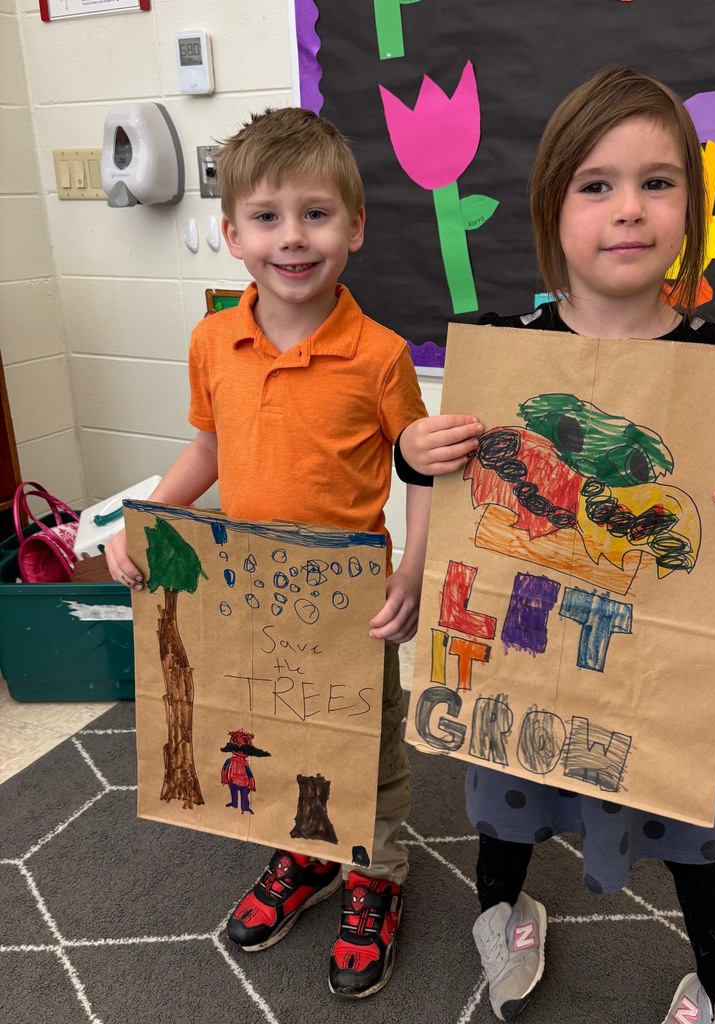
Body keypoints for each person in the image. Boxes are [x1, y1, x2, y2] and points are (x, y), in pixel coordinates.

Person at [395, 66, 715, 1024]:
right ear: (554, 208)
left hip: (659, 667)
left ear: (689, 214)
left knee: (698, 833)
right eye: (597, 184)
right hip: (524, 647)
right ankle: (503, 909)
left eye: (658, 183)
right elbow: (438, 483)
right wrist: (416, 453)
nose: (629, 210)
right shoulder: (500, 351)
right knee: (504, 810)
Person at [105, 106, 431, 999]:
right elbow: (208, 451)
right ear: (233, 233)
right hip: (247, 592)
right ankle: (306, 852)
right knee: (275, 729)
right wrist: (144, 522)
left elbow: (421, 469)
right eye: (268, 217)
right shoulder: (215, 340)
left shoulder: (381, 356)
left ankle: (374, 871)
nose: (293, 238)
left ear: (355, 228)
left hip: (352, 600)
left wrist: (412, 572)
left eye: (317, 214)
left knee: (368, 743)